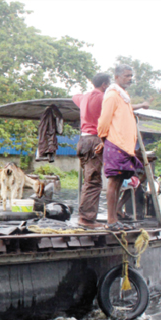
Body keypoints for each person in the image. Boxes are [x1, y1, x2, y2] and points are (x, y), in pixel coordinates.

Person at [97, 64, 149, 231]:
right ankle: (111, 220)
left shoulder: (123, 96)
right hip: (115, 142)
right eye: (127, 76)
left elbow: (126, 112)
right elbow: (104, 120)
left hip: (126, 146)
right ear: (117, 77)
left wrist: (141, 105)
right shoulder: (112, 95)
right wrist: (102, 138)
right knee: (113, 182)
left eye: (131, 76)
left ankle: (115, 217)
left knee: (120, 181)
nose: (130, 79)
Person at [73, 73, 110, 228]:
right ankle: (87, 219)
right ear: (104, 85)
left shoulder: (84, 97)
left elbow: (75, 96)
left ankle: (85, 216)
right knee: (94, 181)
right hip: (95, 140)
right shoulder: (103, 98)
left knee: (88, 180)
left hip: (83, 141)